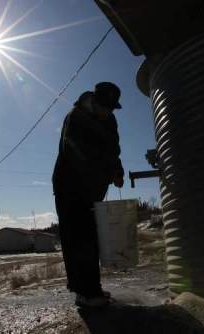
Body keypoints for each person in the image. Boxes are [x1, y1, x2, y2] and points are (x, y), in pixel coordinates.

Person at [52, 82, 124, 308]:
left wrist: (117, 170)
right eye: (104, 107)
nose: (107, 112)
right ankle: (85, 292)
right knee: (77, 237)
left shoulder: (110, 119)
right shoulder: (76, 117)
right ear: (94, 101)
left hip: (93, 187)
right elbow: (74, 152)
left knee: (90, 238)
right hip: (71, 185)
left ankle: (92, 289)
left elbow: (114, 150)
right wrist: (96, 177)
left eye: (111, 108)